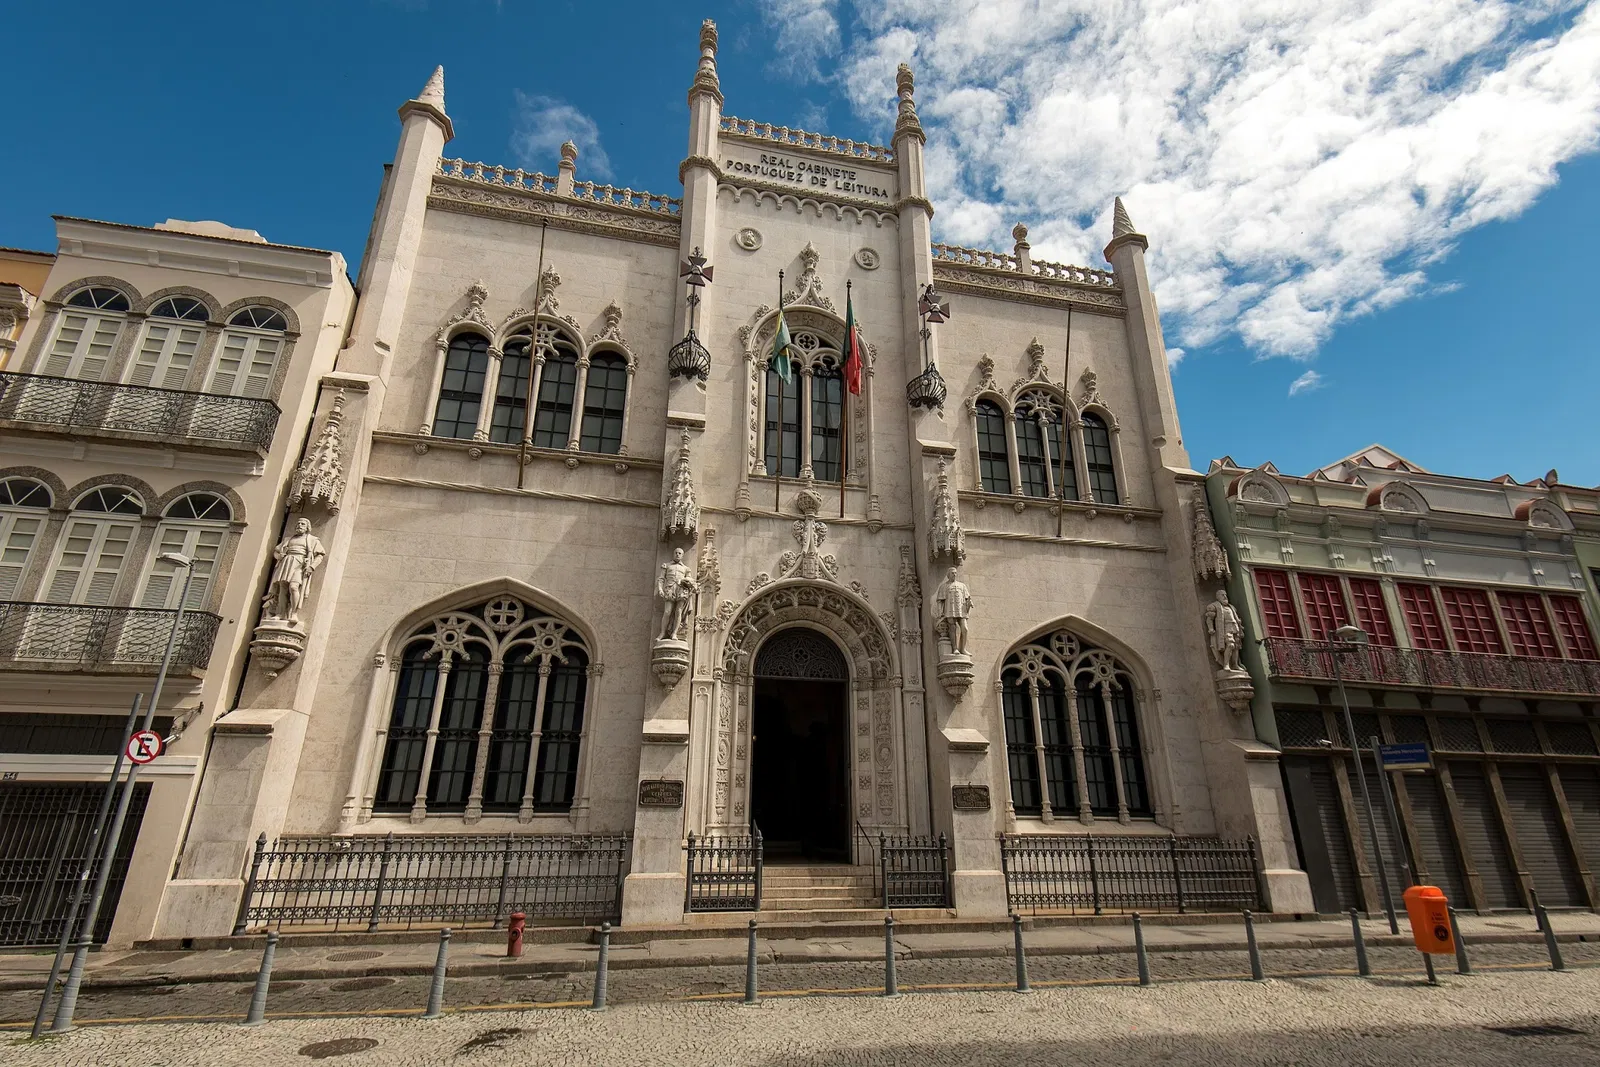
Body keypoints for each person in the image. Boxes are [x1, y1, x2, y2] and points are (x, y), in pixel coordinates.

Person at [262, 517, 326, 624]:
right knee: (283, 589)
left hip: (300, 564)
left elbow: (320, 555)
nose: (299, 526)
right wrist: (279, 556)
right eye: (298, 523)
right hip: (286, 563)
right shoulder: (288, 539)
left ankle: (294, 613)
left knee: (294, 587)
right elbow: (276, 552)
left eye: (302, 524)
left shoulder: (312, 540)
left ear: (307, 528)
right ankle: (280, 613)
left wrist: (311, 566)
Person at [656, 547, 696, 640]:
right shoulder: (667, 565)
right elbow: (661, 579)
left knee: (679, 612)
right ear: (673, 554)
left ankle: (674, 633)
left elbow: (690, 580)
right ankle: (662, 633)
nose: (677, 554)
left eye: (679, 553)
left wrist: (687, 581)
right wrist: (660, 589)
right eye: (676, 553)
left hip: (681, 589)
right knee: (667, 612)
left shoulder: (686, 568)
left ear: (682, 556)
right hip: (670, 588)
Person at [935, 567, 972, 655]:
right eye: (952, 573)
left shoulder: (962, 585)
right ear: (948, 575)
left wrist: (969, 603)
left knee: (965, 628)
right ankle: (955, 648)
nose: (954, 574)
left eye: (955, 573)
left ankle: (962, 648)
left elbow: (967, 598)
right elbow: (940, 600)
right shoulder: (944, 586)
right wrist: (940, 612)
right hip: (950, 609)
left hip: (961, 609)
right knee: (952, 628)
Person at [1205, 589, 1245, 672]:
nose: (1225, 596)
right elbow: (1209, 618)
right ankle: (1226, 664)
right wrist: (1211, 628)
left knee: (1236, 647)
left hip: (1234, 627)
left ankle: (1235, 664)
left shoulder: (1231, 607)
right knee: (1230, 645)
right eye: (1222, 595)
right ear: (1218, 597)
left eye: (1225, 595)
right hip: (1225, 628)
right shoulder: (1214, 606)